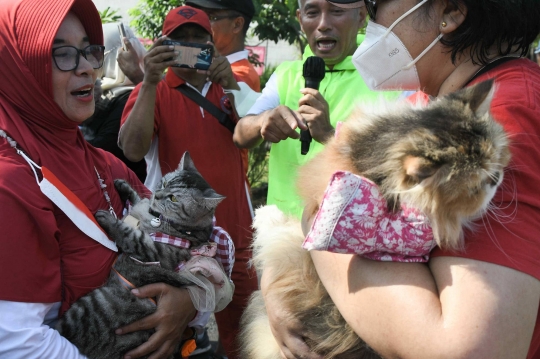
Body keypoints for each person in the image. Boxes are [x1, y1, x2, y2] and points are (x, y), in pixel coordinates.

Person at [262, 0, 540, 358]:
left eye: (376, 3)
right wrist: (281, 283)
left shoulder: (501, 119)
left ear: (450, 12)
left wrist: (322, 224)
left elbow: (470, 350)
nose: (370, 20)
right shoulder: (441, 100)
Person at [0, 0, 197, 358]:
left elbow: (189, 234)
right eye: (62, 54)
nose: (88, 69)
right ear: (18, 67)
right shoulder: (10, 182)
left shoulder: (103, 164)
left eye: (89, 52)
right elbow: (16, 341)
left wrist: (191, 299)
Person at [119, 6, 258, 358]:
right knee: (175, 335)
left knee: (245, 331)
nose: (191, 46)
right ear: (164, 46)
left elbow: (255, 136)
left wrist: (230, 85)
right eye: (180, 41)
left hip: (236, 234)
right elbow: (132, 150)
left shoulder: (231, 85)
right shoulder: (155, 89)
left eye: (199, 39)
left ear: (212, 43)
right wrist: (148, 80)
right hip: (175, 245)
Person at [233, 0, 396, 218]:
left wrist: (329, 135)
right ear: (300, 19)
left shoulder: (389, 79)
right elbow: (240, 135)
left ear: (361, 17)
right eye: (312, 13)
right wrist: (263, 122)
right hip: (280, 234)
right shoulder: (286, 74)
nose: (323, 24)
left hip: (348, 233)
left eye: (337, 11)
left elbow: (394, 170)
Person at [81, 23, 147, 183]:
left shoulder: (131, 97)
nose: (89, 62)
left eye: (95, 54)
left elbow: (102, 150)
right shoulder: (103, 91)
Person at [185, 0, 261, 92]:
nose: (200, 24)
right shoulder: (203, 62)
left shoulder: (242, 76)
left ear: (237, 24)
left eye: (210, 17)